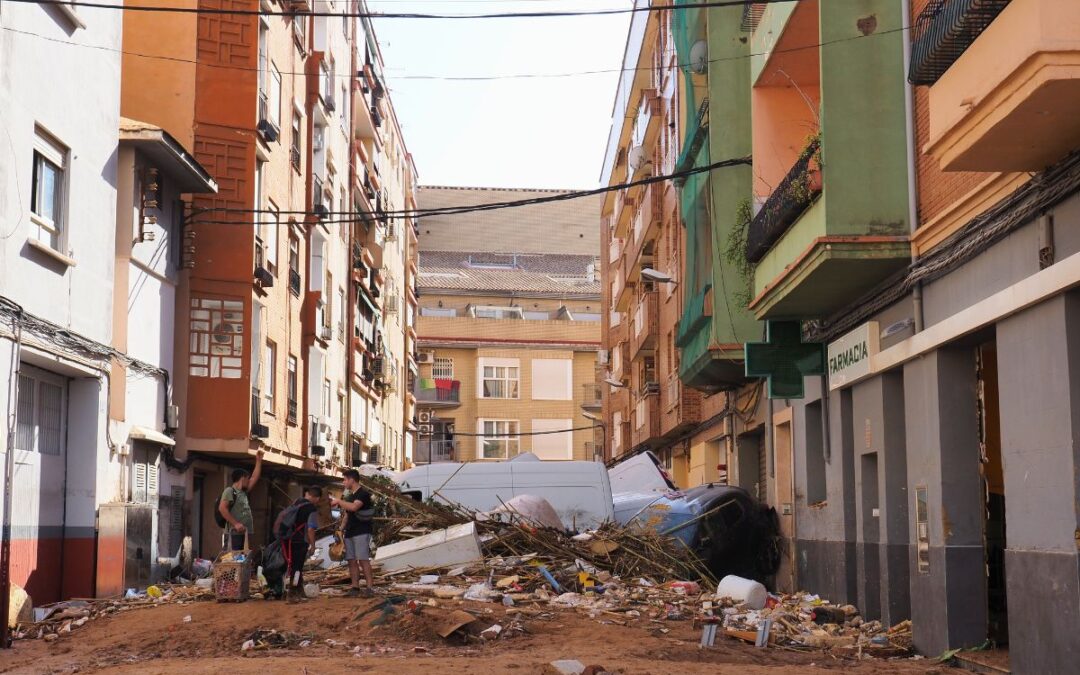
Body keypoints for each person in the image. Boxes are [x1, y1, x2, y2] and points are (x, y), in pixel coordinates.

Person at [272, 485, 322, 603]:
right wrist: (313, 545)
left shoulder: (295, 503)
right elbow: (310, 529)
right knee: (297, 568)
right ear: (317, 498)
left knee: (295, 567)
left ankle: (299, 591)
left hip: (288, 540)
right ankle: (292, 594)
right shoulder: (311, 509)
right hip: (300, 541)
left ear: (307, 494)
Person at [330, 469, 375, 598]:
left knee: (363, 559)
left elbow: (354, 507)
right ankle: (355, 587)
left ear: (352, 480)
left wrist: (338, 502)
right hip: (350, 531)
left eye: (345, 480)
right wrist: (341, 529)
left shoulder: (363, 494)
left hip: (361, 531)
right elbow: (348, 515)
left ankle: (370, 588)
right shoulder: (351, 496)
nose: (344, 482)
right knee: (351, 560)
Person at [218, 450, 264, 551]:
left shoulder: (243, 492)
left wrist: (259, 461)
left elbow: (254, 478)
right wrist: (236, 524)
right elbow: (222, 508)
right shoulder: (229, 491)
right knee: (232, 560)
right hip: (234, 533)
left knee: (240, 560)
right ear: (242, 479)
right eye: (247, 479)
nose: (249, 481)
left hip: (242, 533)